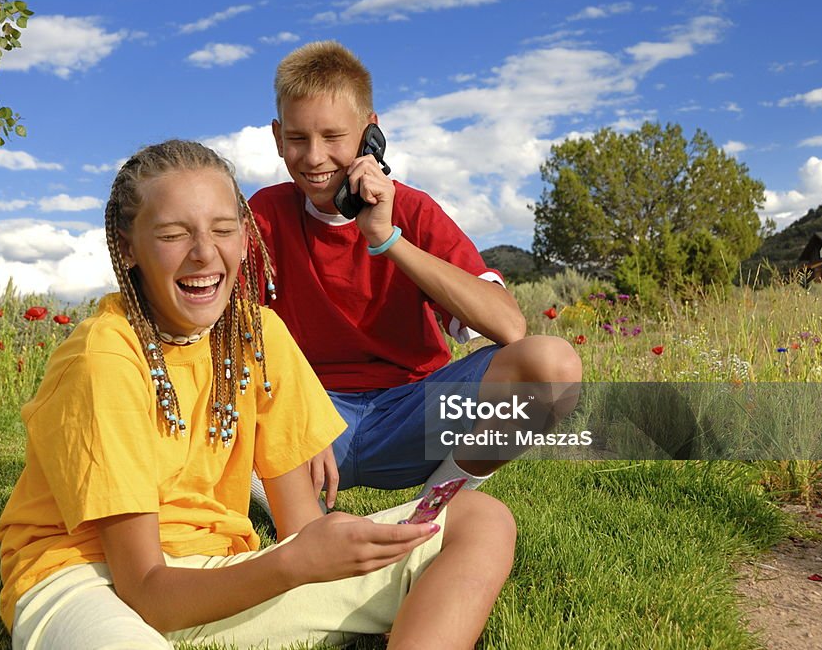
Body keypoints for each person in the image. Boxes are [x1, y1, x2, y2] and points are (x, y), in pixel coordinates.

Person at [0, 140, 517, 649]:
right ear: (129, 246)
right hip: (90, 578)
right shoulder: (103, 357)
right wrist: (292, 564)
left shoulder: (259, 334)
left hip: (222, 574)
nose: (205, 254)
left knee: (478, 519)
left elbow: (301, 535)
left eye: (223, 230)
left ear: (245, 237)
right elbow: (147, 593)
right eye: (174, 234)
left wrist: (322, 556)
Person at [249, 41, 583, 504]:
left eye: (333, 137)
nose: (313, 157)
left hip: (413, 416)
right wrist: (295, 411)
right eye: (298, 139)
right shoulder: (263, 214)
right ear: (277, 135)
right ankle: (305, 520)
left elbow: (510, 327)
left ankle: (434, 509)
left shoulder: (414, 210)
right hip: (312, 421)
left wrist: (388, 240)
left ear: (371, 134)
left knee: (551, 365)